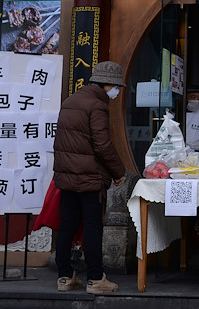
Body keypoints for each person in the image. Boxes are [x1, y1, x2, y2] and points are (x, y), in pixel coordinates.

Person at [53, 61, 126, 294]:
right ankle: (95, 279)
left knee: (67, 225)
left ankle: (65, 277)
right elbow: (102, 146)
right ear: (108, 84)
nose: (117, 92)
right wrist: (118, 172)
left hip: (67, 177)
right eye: (117, 88)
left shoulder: (70, 101)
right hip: (90, 178)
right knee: (93, 227)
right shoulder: (97, 105)